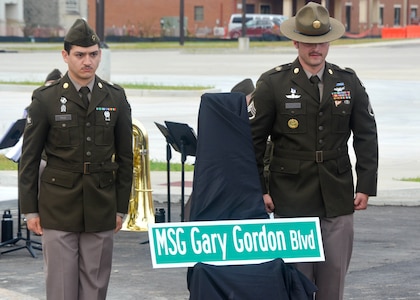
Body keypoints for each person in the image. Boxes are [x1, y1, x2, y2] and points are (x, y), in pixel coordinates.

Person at [250, 2, 378, 299]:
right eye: (308, 41)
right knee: (297, 283)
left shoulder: (347, 82)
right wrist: (261, 189)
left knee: (333, 281)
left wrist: (366, 184)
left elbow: (366, 136)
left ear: (329, 41)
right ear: (296, 41)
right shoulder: (273, 83)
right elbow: (253, 142)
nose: (315, 48)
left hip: (337, 195)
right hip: (291, 197)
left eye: (321, 41)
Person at [18, 18, 133, 300]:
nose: (87, 61)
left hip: (101, 205)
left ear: (99, 55)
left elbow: (126, 159)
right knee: (61, 288)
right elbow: (29, 159)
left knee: (95, 288)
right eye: (80, 55)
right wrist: (30, 211)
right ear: (65, 55)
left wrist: (120, 209)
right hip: (58, 207)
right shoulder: (46, 99)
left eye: (93, 54)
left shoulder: (115, 97)